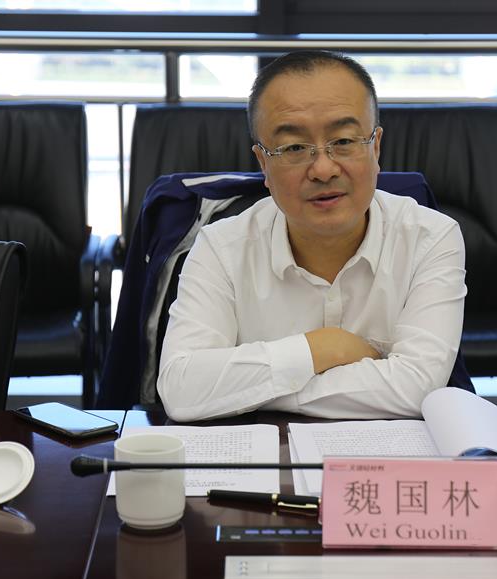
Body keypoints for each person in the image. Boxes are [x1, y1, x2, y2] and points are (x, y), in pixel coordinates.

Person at [157, 50, 466, 421]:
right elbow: (181, 389)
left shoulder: (431, 239)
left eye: (344, 141)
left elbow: (418, 389)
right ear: (263, 163)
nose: (322, 169)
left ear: (376, 147)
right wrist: (324, 348)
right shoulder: (220, 248)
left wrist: (253, 389)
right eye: (294, 148)